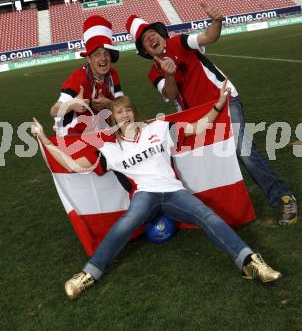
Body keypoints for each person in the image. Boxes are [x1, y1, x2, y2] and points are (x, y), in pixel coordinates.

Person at [32, 84, 282, 301]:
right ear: (113, 119)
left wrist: (218, 104)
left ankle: (249, 262)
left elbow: (196, 128)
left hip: (174, 192)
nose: (125, 114)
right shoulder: (111, 149)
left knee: (209, 216)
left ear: (135, 112)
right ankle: (88, 274)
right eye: (119, 112)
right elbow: (73, 166)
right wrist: (44, 138)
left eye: (128, 109)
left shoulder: (159, 128)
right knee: (126, 223)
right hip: (145, 196)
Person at [125, 5, 298, 226]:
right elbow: (170, 93)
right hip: (198, 119)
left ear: (161, 35)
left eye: (152, 34)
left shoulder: (179, 41)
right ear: (145, 51)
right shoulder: (153, 73)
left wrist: (217, 21)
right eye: (145, 40)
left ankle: (283, 197)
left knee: (242, 149)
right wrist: (169, 74)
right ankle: (222, 212)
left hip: (225, 100)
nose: (151, 39)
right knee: (203, 162)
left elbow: (208, 37)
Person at [50, 15, 123, 136]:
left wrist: (109, 104)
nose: (103, 58)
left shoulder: (113, 74)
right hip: (71, 134)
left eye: (106, 53)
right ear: (88, 58)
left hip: (96, 129)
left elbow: (123, 104)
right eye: (97, 54)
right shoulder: (79, 78)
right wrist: (72, 105)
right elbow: (54, 110)